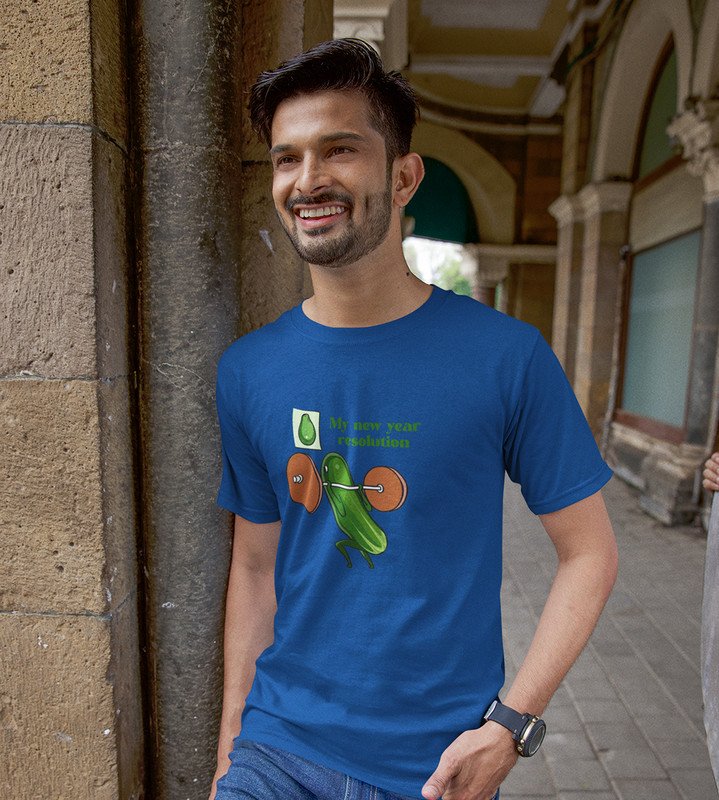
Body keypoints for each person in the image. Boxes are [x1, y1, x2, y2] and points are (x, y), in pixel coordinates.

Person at [210, 38, 619, 800]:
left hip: (435, 771)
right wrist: (230, 751)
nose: (307, 179)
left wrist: (510, 726)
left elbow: (589, 553)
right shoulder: (247, 370)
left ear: (402, 177)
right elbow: (256, 568)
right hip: (274, 753)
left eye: (339, 149)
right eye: (286, 158)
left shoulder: (505, 356)